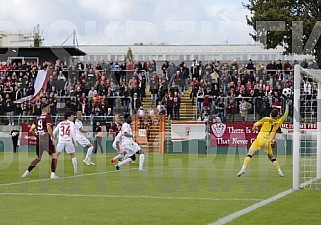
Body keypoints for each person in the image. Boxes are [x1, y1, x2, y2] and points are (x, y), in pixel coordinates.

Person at [236, 100, 290, 177]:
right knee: (271, 157)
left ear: (270, 114)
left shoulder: (265, 119)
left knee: (250, 154)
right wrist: (287, 106)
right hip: (267, 142)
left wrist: (254, 128)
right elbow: (285, 114)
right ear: (277, 115)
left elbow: (255, 124)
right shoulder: (279, 121)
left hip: (260, 140)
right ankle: (280, 172)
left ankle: (243, 169)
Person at [21, 103, 58, 179]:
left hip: (39, 139)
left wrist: (37, 136)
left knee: (38, 158)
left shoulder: (37, 118)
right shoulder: (48, 117)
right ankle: (52, 174)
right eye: (49, 108)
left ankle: (26, 173)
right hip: (46, 138)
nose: (50, 109)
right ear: (47, 109)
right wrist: (53, 137)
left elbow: (31, 130)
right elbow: (48, 127)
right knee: (54, 155)